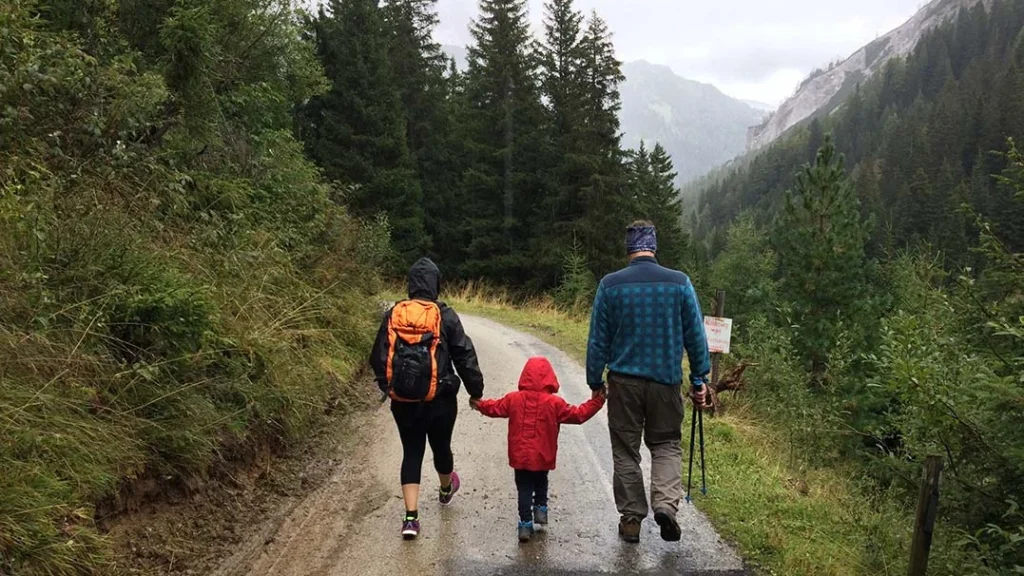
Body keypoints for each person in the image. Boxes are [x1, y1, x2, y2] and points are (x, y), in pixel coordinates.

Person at [585, 220, 711, 544]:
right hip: (666, 382)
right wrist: (700, 379)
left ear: (628, 248)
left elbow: (598, 340)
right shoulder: (680, 283)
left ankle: (631, 520)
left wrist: (594, 379)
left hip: (624, 383)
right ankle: (665, 506)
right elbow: (696, 337)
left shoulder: (610, 286)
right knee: (666, 444)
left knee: (626, 451)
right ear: (653, 246)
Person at [370, 258, 485, 540]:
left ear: (410, 284)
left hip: (403, 401)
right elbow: (464, 355)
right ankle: (446, 489)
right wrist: (476, 391)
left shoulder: (393, 313)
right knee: (441, 447)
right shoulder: (445, 315)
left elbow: (377, 356)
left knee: (412, 452)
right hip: (441, 400)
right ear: (436, 284)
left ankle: (410, 518)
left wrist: (391, 386)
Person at [473, 356, 605, 543]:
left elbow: (495, 408)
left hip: (520, 455)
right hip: (543, 454)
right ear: (550, 378)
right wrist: (597, 402)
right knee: (541, 479)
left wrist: (479, 405)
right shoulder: (555, 403)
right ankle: (541, 508)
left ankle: (525, 524)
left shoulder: (514, 399)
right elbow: (578, 414)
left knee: (524, 487)